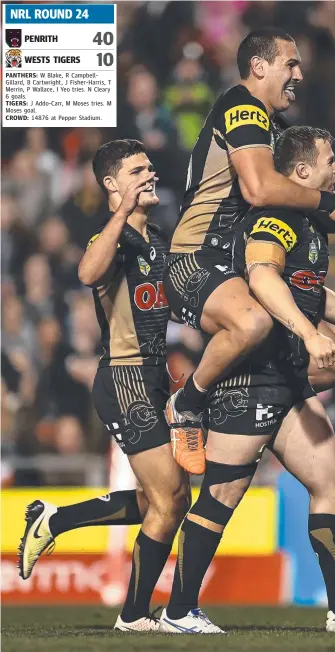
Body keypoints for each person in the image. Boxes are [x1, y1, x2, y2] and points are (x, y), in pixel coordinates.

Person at [159, 126, 335, 634]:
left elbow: (314, 294)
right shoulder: (274, 219)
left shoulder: (309, 224)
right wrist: (306, 334)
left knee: (333, 480)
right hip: (250, 378)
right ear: (302, 171)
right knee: (221, 496)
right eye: (329, 160)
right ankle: (178, 612)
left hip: (284, 378)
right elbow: (262, 277)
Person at [163, 28, 335, 474]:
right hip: (194, 261)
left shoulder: (273, 128)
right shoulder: (243, 109)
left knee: (334, 363)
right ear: (259, 66)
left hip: (231, 267)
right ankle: (187, 403)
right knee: (254, 321)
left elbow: (295, 188)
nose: (298, 73)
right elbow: (259, 188)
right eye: (289, 64)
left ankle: (237, 393)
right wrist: (330, 204)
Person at [18, 140, 190, 633]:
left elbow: (168, 305)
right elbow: (87, 272)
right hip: (125, 376)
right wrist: (124, 214)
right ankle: (134, 616)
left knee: (160, 500)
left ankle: (54, 521)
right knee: (173, 495)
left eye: (151, 168)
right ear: (112, 185)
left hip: (155, 379)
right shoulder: (111, 240)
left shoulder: (158, 239)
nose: (150, 175)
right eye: (138, 170)